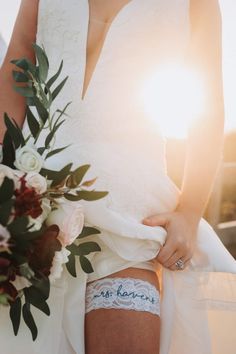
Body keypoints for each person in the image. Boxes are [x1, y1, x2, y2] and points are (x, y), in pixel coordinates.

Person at [0, 1, 236, 353]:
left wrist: (189, 212)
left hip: (132, 216)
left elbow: (208, 106)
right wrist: (5, 181)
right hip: (36, 202)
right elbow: (18, 59)